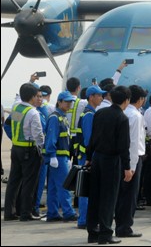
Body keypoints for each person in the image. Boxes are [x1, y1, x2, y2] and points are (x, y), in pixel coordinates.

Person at [86, 86, 133, 245]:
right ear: (126, 100)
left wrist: (88, 157)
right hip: (111, 161)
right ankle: (106, 234)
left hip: (97, 158)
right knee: (109, 198)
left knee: (95, 196)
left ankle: (92, 232)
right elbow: (123, 146)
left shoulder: (100, 113)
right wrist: (127, 167)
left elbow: (92, 138)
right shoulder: (122, 118)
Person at [4, 83, 44, 221]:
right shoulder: (33, 112)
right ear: (33, 97)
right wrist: (42, 147)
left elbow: (15, 127)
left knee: (13, 182)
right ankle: (26, 213)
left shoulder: (17, 108)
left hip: (16, 149)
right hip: (29, 149)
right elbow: (38, 135)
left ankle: (9, 212)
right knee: (29, 182)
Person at [115, 85, 147, 238]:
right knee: (130, 195)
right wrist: (132, 166)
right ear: (140, 99)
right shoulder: (136, 116)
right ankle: (125, 227)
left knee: (121, 194)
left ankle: (120, 225)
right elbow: (134, 142)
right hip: (133, 159)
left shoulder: (122, 112)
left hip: (120, 158)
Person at [44, 91, 78, 222]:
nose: (69, 104)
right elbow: (51, 138)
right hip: (57, 157)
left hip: (61, 157)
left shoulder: (62, 117)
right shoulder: (55, 118)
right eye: (66, 102)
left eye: (70, 102)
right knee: (64, 186)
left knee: (53, 187)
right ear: (59, 102)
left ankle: (52, 213)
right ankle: (68, 212)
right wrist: (52, 155)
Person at [75, 85, 106, 229]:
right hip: (88, 157)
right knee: (86, 188)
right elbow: (89, 140)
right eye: (99, 95)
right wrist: (92, 158)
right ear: (92, 97)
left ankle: (86, 218)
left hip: (87, 156)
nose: (101, 98)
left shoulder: (91, 112)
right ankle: (84, 219)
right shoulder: (89, 114)